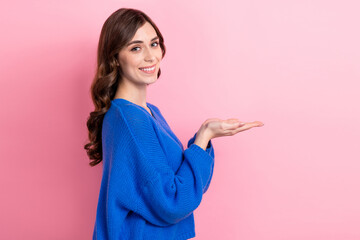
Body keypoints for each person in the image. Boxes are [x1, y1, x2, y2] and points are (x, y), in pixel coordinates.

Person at [84, 7, 264, 240]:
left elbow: (182, 184)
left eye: (154, 43)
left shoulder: (148, 113)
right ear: (115, 58)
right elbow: (173, 202)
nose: (150, 56)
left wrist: (205, 134)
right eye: (136, 48)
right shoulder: (130, 121)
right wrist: (203, 138)